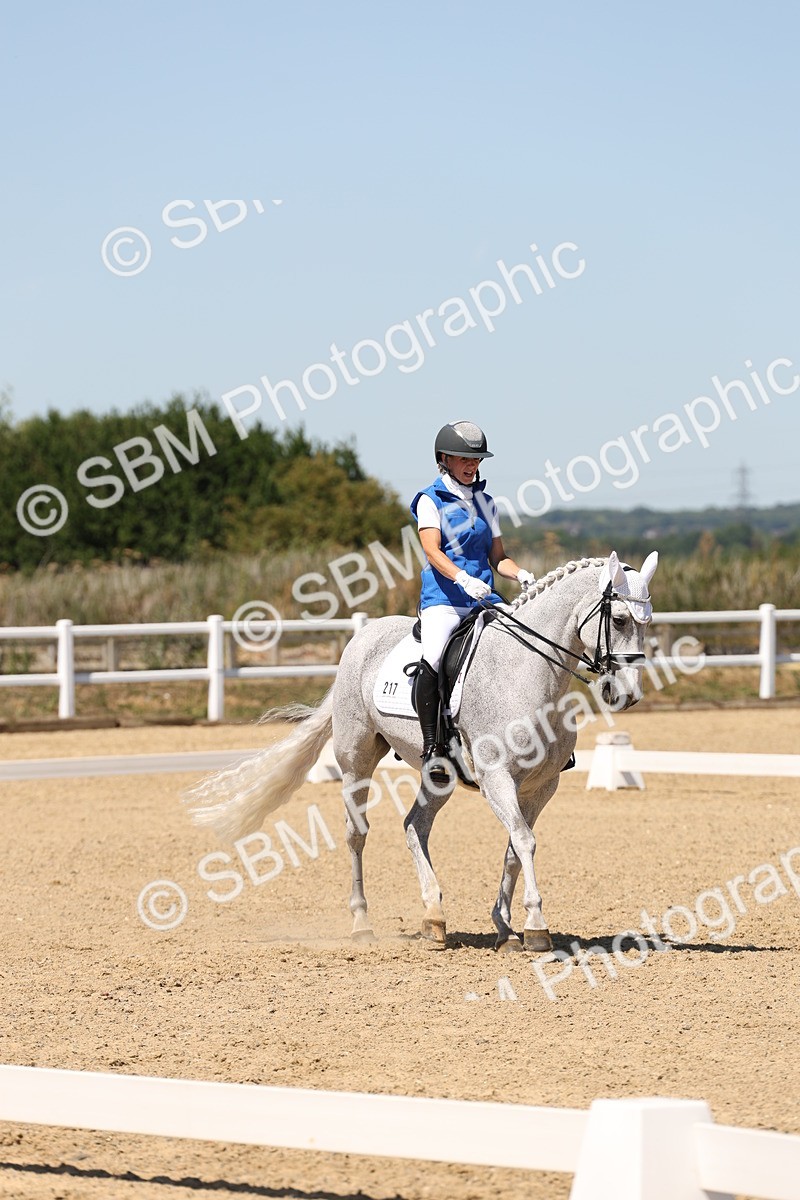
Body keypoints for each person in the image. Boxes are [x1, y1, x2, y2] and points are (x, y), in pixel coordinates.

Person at [409, 420, 535, 782]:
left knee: (527, 644)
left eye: (476, 459)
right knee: (434, 658)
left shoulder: (486, 503)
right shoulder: (430, 500)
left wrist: (521, 574)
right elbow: (432, 551)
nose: (472, 465)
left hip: (484, 598)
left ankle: (542, 735)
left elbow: (499, 558)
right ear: (444, 459)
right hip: (445, 599)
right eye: (465, 458)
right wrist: (462, 578)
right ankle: (433, 748)